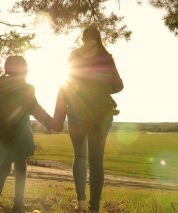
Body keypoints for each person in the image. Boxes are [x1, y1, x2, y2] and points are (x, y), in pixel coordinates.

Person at [53, 25, 124, 213]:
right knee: (96, 161)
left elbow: (64, 87)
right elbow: (119, 85)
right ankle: (95, 208)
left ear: (82, 38)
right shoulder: (106, 57)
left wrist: (58, 119)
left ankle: (81, 203)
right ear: (99, 38)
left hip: (76, 113)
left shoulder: (74, 56)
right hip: (101, 114)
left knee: (80, 156)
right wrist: (101, 89)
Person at [0, 55, 52, 213]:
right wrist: (52, 123)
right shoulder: (25, 88)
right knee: (21, 171)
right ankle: (17, 207)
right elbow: (36, 110)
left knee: (3, 169)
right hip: (19, 136)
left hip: (0, 136)